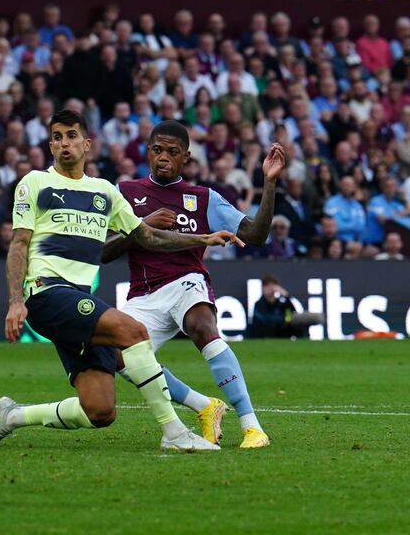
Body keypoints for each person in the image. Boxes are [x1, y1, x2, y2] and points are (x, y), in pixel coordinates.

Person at [0, 110, 239, 453]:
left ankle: (13, 417)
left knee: (100, 411)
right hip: (46, 291)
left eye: (71, 135)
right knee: (133, 332)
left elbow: (147, 236)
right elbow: (19, 244)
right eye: (57, 137)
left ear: (87, 144)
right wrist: (16, 300)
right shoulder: (35, 183)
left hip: (77, 299)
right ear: (51, 145)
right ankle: (174, 433)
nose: (64, 144)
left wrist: (202, 239)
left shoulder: (103, 191)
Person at [100, 121, 285, 448]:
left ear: (186, 157)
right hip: (144, 294)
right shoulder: (125, 193)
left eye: (173, 152)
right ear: (148, 152)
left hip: (187, 281)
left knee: (202, 324)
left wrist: (269, 184)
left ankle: (251, 425)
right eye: (158, 150)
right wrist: (140, 225)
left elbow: (255, 235)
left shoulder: (204, 198)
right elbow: (102, 251)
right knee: (116, 356)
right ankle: (204, 406)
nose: (163, 158)